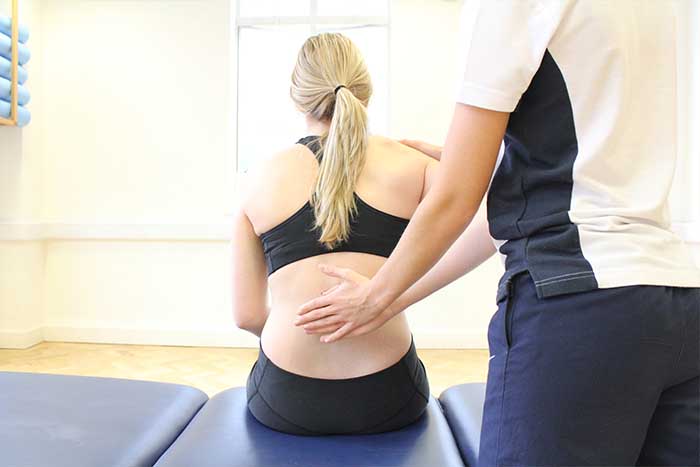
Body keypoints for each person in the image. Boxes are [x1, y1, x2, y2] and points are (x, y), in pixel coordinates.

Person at [296, 1, 700, 465]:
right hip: (677, 301)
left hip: (577, 304)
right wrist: (392, 296)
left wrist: (376, 297)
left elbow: (456, 198)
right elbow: (524, 197)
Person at [231, 33, 437, 436]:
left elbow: (247, 316)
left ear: (298, 99)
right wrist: (446, 154)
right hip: (391, 396)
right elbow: (494, 200)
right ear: (366, 92)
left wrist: (304, 332)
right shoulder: (414, 164)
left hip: (285, 399)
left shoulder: (259, 178)